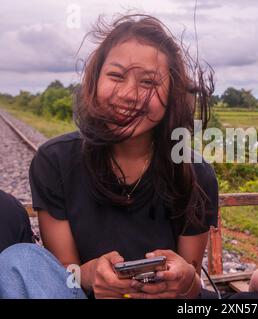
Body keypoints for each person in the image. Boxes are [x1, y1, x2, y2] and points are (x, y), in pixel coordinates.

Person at [0, 14, 218, 299]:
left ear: (172, 95)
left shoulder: (195, 174)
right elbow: (63, 275)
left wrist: (184, 280)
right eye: (116, 75)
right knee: (22, 259)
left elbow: (191, 290)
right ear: (95, 80)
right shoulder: (55, 162)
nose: (128, 94)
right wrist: (89, 275)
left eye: (149, 83)